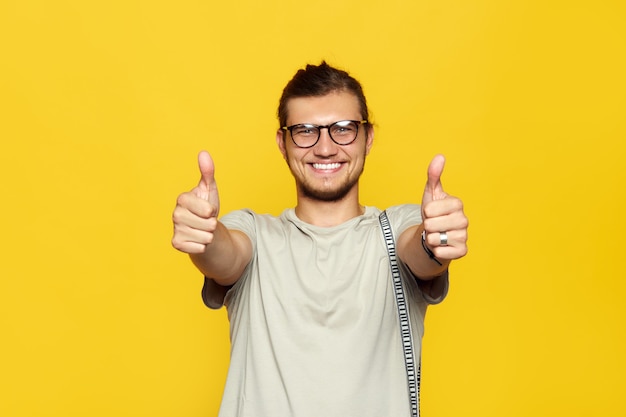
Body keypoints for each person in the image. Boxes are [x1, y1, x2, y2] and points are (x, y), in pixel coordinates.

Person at [172, 62, 468, 417]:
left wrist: (436, 238)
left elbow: (419, 251)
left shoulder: (398, 227)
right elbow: (226, 255)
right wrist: (204, 235)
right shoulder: (254, 232)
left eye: (343, 129)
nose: (325, 148)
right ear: (283, 143)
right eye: (305, 130)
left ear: (368, 137)